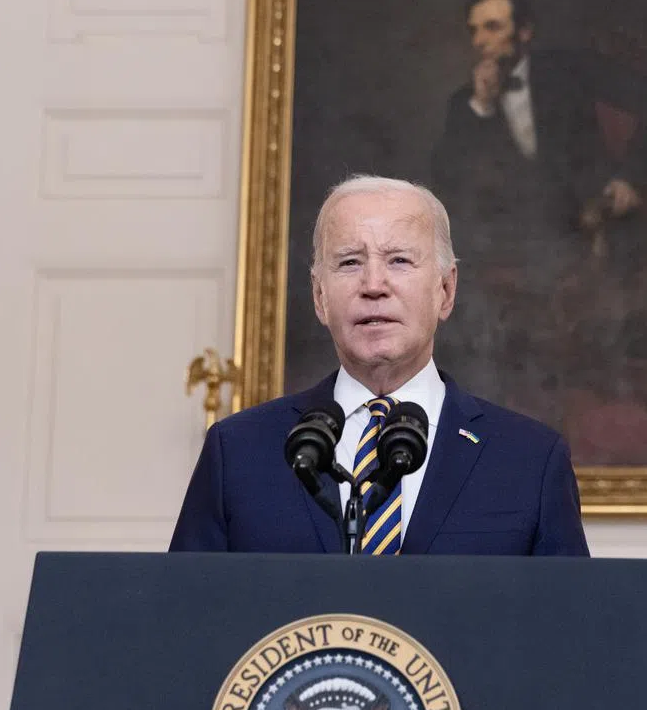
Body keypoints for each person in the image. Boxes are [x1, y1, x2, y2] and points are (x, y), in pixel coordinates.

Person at [168, 175, 589, 556]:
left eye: (399, 261)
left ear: (445, 290)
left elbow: (570, 629)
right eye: (350, 262)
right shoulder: (239, 450)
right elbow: (184, 622)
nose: (373, 286)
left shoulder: (529, 460)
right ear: (319, 296)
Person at [430, 0, 647, 426]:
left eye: (493, 27)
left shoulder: (571, 71)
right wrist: (482, 107)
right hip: (516, 236)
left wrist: (630, 178)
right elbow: (447, 185)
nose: (481, 41)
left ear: (523, 33)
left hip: (593, 220)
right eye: (475, 31)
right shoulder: (464, 104)